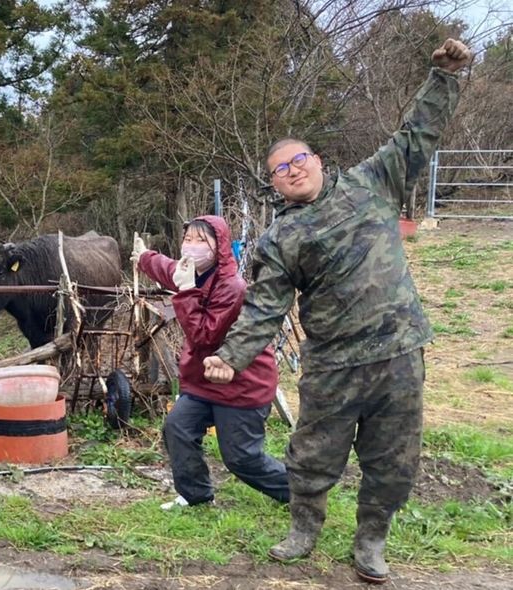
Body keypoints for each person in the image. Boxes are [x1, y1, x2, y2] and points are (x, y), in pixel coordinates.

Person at [202, 39, 473, 584]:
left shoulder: (374, 182)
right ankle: (304, 529)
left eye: (298, 159)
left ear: (318, 161)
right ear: (274, 184)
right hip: (331, 364)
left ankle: (371, 540)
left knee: (393, 460)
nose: (292, 170)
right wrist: (231, 356)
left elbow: (417, 132)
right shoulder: (280, 237)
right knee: (312, 454)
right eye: (280, 169)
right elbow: (265, 306)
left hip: (398, 355)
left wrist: (443, 77)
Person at [132, 217, 287, 509]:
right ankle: (196, 496)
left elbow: (204, 336)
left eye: (202, 241)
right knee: (177, 427)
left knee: (242, 459)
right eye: (188, 239)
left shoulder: (232, 287)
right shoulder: (190, 273)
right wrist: (143, 257)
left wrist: (186, 291)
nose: (192, 247)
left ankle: (302, 493)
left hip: (242, 383)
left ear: (220, 247)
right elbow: (167, 269)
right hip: (205, 381)